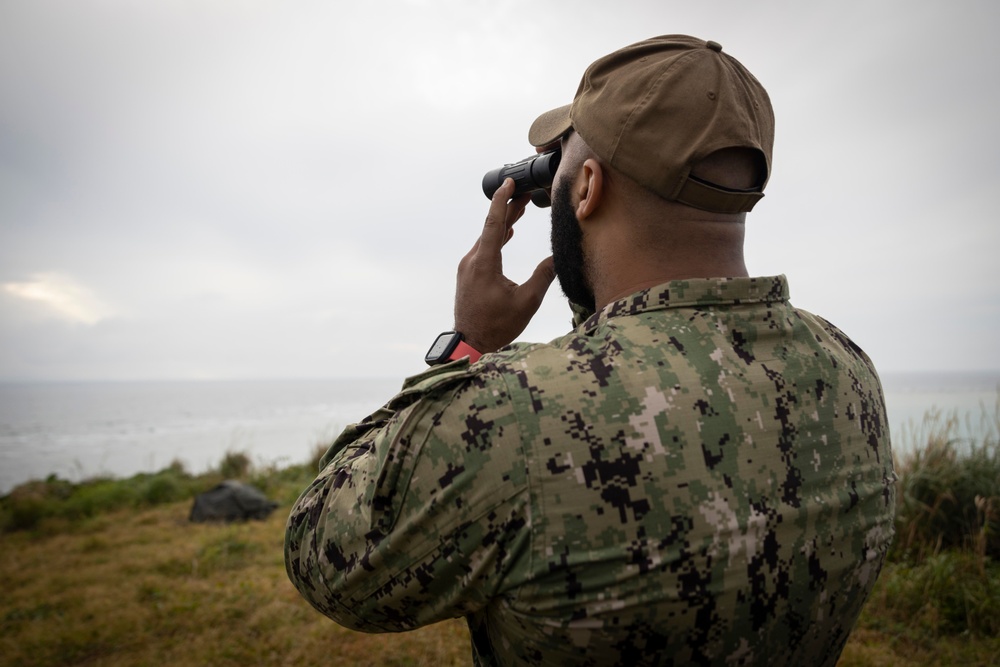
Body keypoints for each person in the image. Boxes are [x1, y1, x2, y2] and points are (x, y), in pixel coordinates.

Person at [285, 35, 896, 666]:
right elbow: (640, 348)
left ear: (587, 188)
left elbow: (324, 554)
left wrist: (470, 346)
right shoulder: (847, 371)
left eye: (563, 167)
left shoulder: (511, 418)